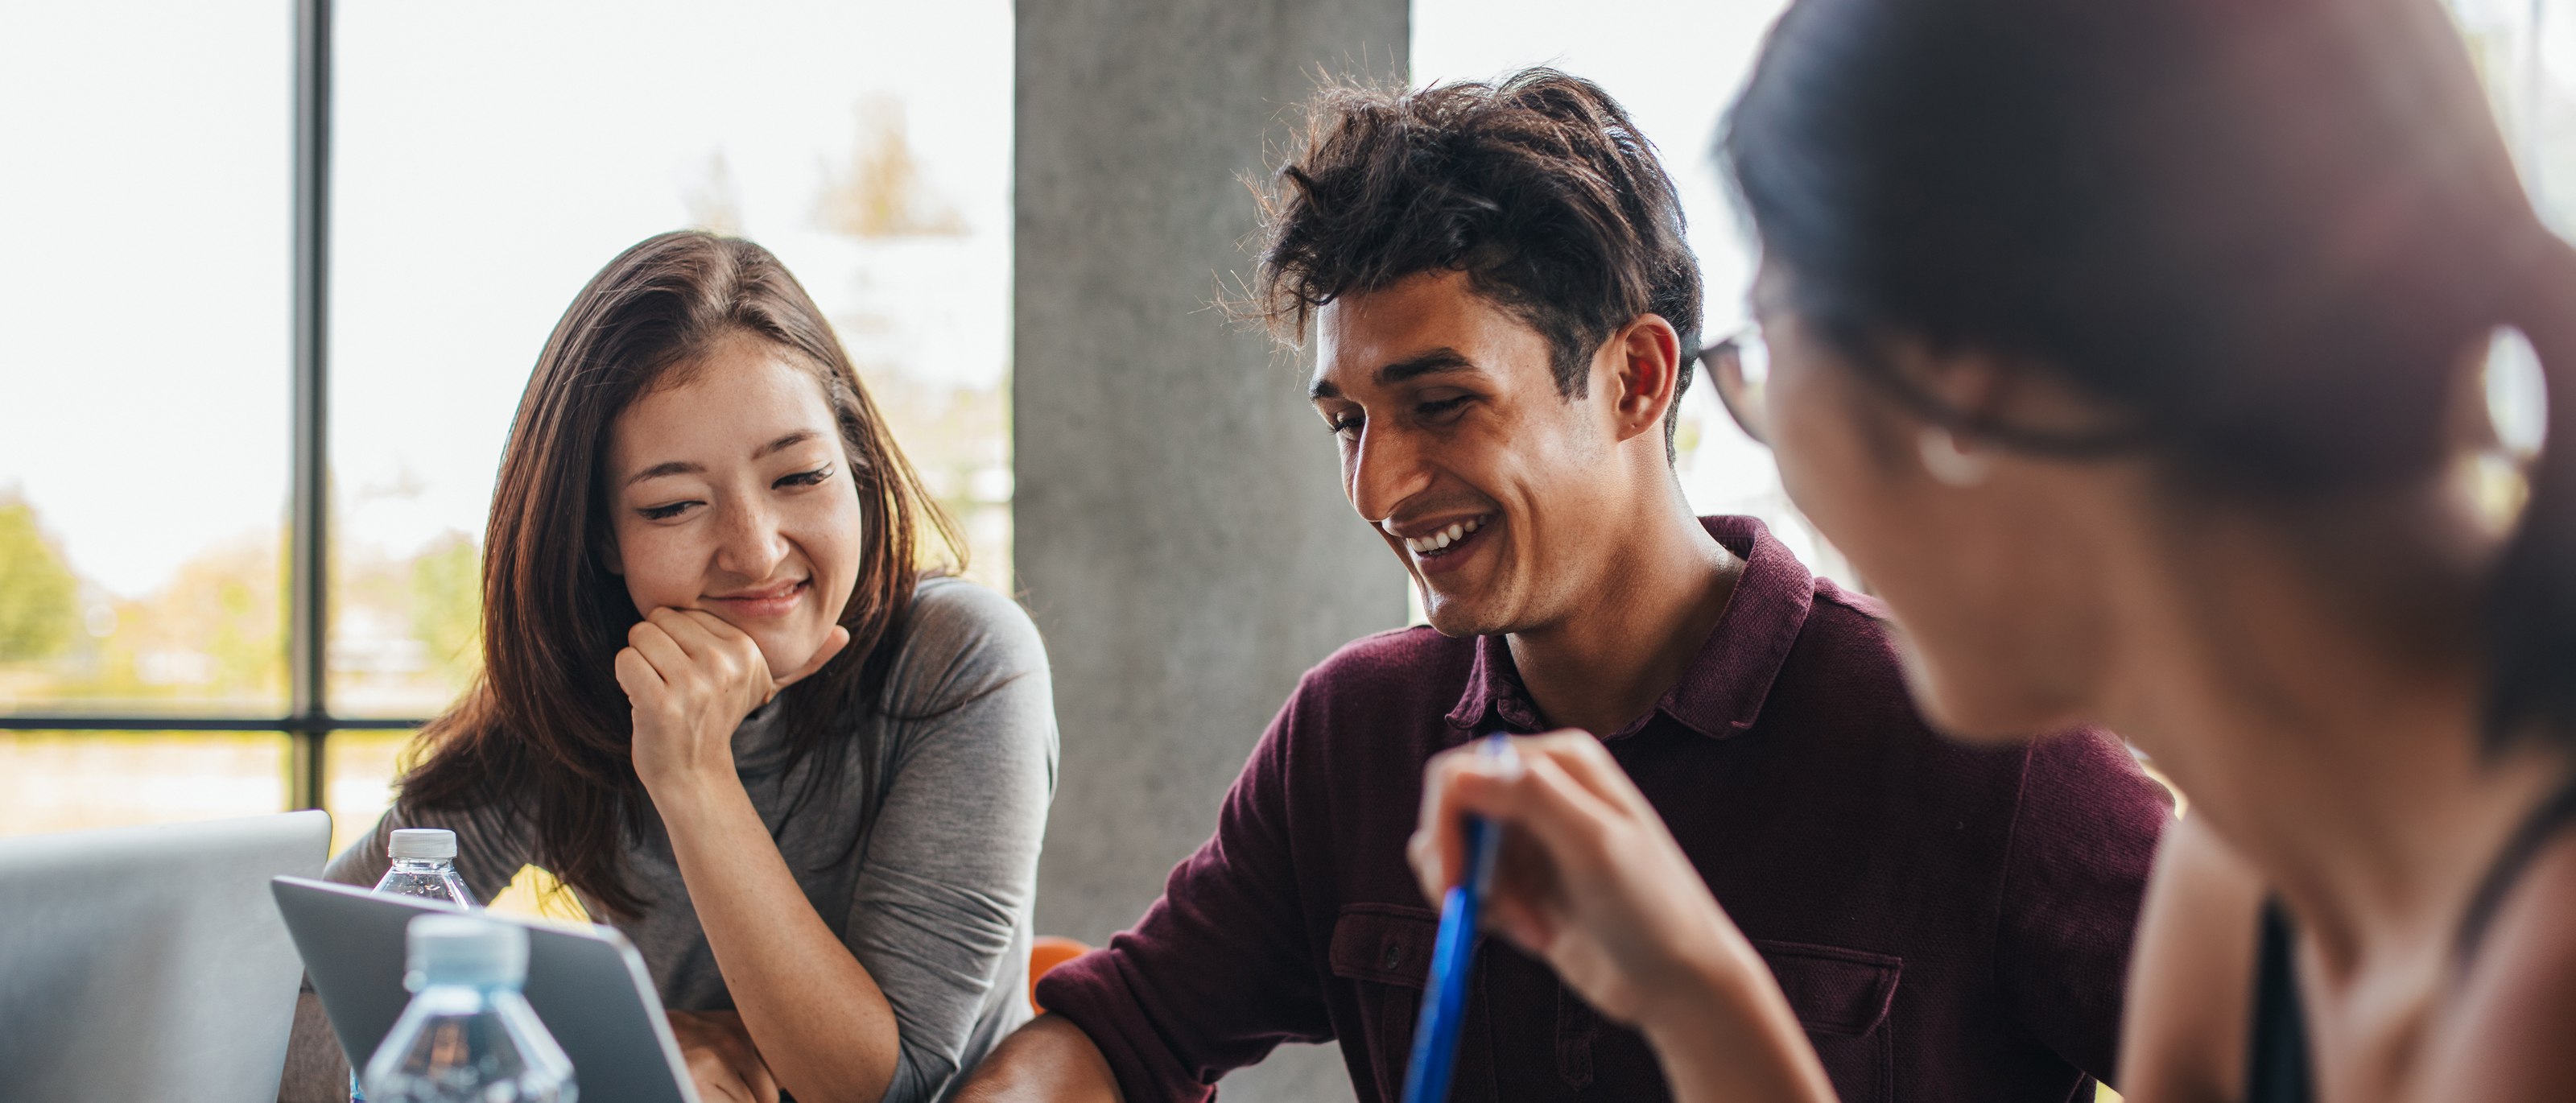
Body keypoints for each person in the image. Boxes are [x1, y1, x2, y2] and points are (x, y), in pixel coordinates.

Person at [1407, 2, 2576, 1101]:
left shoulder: (2532, 973)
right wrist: (1693, 993)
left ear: (1963, 389)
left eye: (1765, 346)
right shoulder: (2243, 882)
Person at [958, 71, 2170, 1103]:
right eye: (1346, 422)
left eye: (1441, 404)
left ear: (1636, 379)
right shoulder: (1353, 735)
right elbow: (1121, 1033)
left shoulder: (1984, 749)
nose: (1378, 485)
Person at [279, 231, 1058, 1103]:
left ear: (856, 465)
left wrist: (692, 774)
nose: (755, 550)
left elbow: (886, 1086)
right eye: (676, 504)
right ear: (602, 540)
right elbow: (283, 997)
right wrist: (594, 1046)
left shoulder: (962, 661)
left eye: (799, 476)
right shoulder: (576, 701)